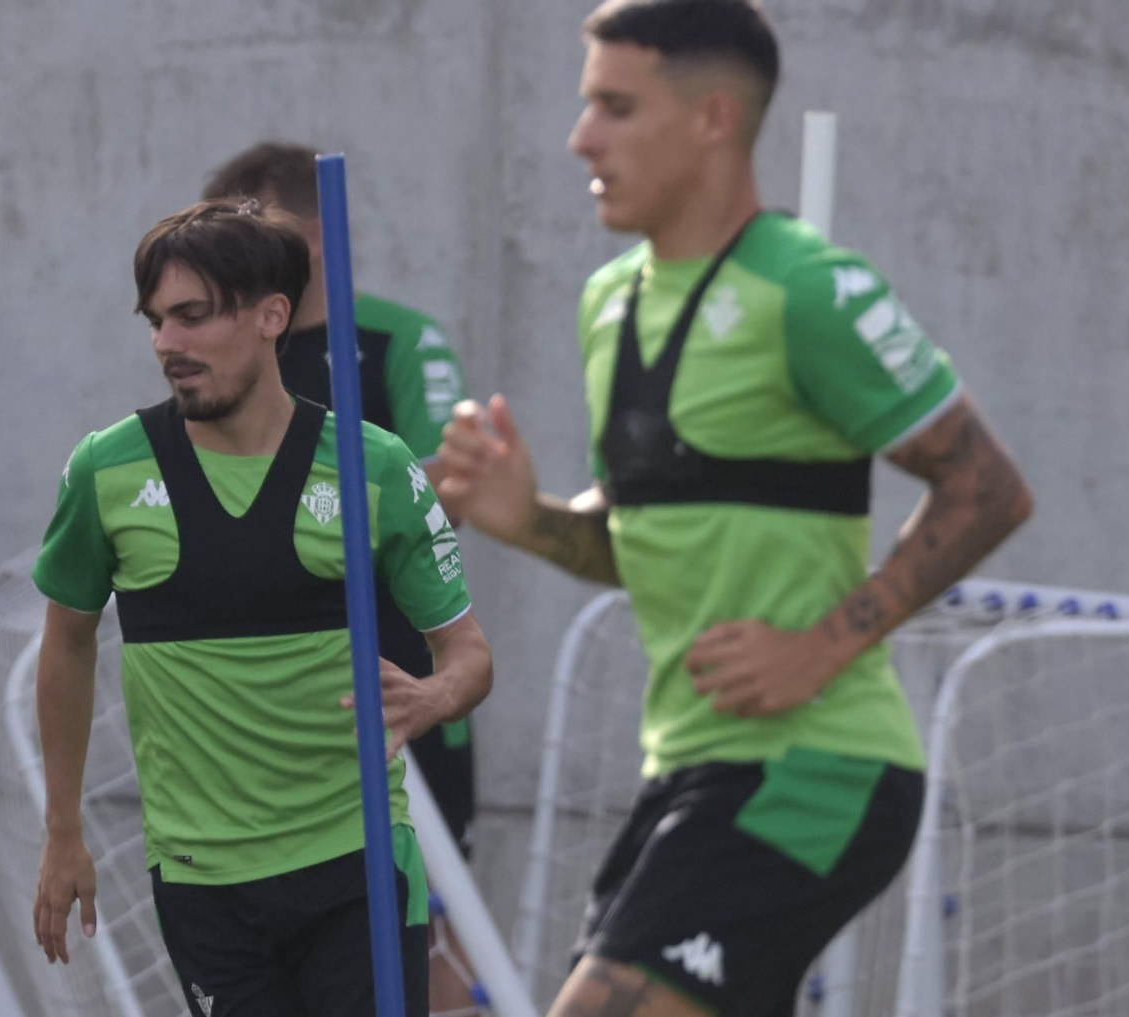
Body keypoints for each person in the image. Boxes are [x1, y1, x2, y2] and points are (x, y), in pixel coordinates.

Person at [437, 2, 1034, 1015]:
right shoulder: (607, 303)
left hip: (817, 768)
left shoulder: (808, 289)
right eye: (586, 106)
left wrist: (822, 645)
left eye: (614, 108)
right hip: (690, 768)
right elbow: (643, 540)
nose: (580, 137)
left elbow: (987, 488)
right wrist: (525, 517)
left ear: (714, 118)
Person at [31, 198, 492, 1017]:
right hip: (206, 884)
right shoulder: (105, 471)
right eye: (157, 321)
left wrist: (434, 695)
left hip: (358, 865)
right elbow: (65, 645)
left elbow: (468, 653)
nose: (167, 343)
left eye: (193, 317)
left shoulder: (370, 466)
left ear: (271, 316)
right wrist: (63, 829)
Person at [203, 143, 478, 860]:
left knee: (434, 918)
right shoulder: (226, 358)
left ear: (316, 239)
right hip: (266, 698)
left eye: (250, 220)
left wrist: (302, 521)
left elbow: (448, 488)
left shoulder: (395, 339)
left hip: (398, 672)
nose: (232, 243)